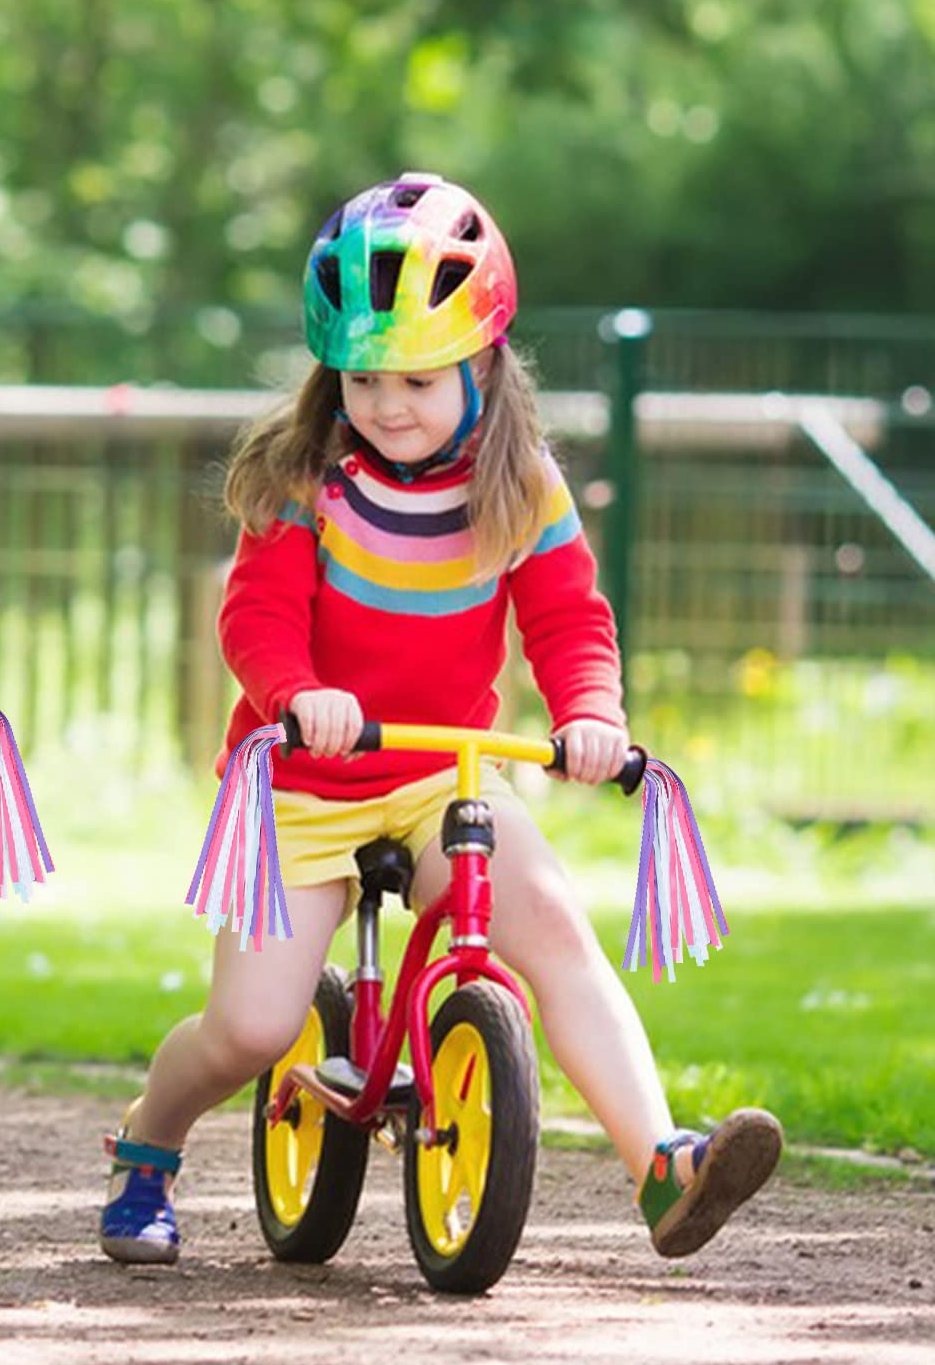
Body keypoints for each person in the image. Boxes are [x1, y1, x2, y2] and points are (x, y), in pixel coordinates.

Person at [100, 172, 782, 1267]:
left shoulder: (521, 486)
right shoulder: (303, 479)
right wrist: (297, 695)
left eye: (417, 376)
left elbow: (569, 620)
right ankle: (150, 1139)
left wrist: (589, 712)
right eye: (363, 376)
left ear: (485, 360)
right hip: (299, 783)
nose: (387, 403)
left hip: (441, 773)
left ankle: (664, 1167)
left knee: (553, 931)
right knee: (253, 1029)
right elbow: (256, 615)